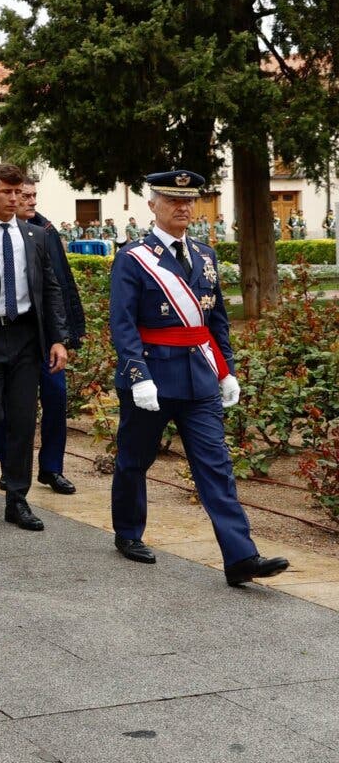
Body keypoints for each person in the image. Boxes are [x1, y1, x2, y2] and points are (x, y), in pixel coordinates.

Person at [109, 170, 289, 586]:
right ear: (153, 204)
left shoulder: (205, 256)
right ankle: (128, 532)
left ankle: (241, 558)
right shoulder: (133, 257)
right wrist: (138, 376)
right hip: (152, 378)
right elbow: (122, 324)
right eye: (173, 200)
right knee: (134, 460)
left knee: (216, 467)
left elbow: (217, 321)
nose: (184, 208)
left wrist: (226, 370)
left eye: (189, 201)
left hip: (199, 379)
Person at [0, 164, 68, 532]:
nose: (14, 199)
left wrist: (57, 339)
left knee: (22, 421)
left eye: (18, 193)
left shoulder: (35, 236)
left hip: (23, 337)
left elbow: (50, 289)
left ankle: (17, 500)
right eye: (6, 192)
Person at [0, 177, 83, 495]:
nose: (29, 200)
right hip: (13, 338)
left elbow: (62, 282)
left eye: (32, 195)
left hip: (48, 338)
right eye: (22, 195)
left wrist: (70, 332)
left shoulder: (46, 231)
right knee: (11, 407)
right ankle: (9, 465)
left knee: (56, 399)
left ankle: (52, 468)